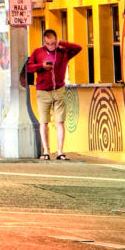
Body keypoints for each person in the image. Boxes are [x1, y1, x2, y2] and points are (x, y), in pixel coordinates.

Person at [19, 26, 83, 160]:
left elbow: (78, 48)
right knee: (44, 122)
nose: (51, 46)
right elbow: (29, 68)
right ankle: (46, 152)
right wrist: (41, 66)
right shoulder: (37, 52)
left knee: (60, 121)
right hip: (43, 91)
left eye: (53, 43)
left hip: (59, 90)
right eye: (48, 44)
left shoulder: (63, 52)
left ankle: (60, 151)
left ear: (56, 41)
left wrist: (62, 43)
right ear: (44, 42)